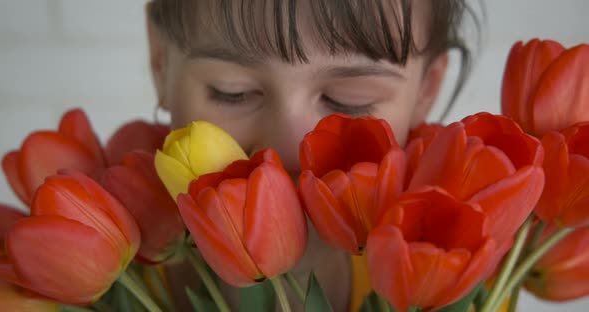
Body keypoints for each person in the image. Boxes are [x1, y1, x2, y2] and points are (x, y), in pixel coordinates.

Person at [145, 0, 480, 311]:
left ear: (426, 88)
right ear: (160, 61)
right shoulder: (105, 273)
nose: (287, 151)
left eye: (347, 100)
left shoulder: (460, 283)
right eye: (233, 92)